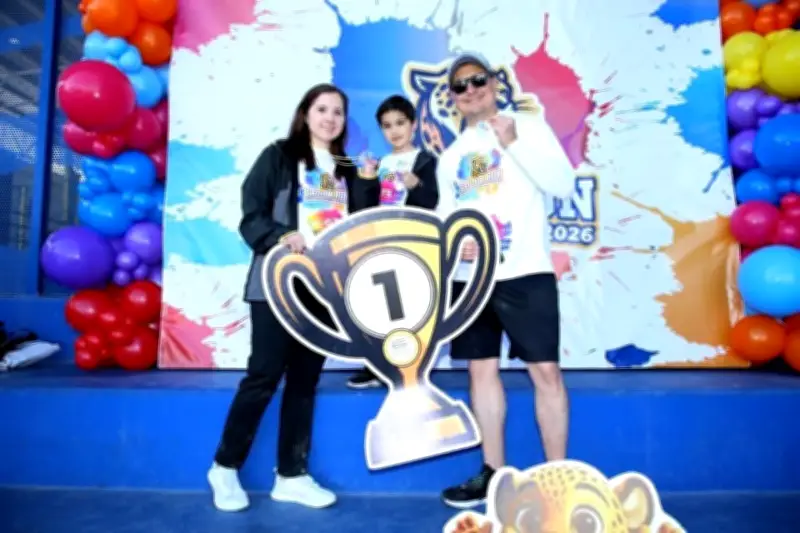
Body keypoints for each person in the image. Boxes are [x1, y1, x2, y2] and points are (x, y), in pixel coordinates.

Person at [208, 83, 374, 512]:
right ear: (306, 113)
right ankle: (224, 467)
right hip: (277, 285)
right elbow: (251, 215)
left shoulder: (346, 166)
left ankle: (291, 475)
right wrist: (282, 236)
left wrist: (368, 182)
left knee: (304, 382)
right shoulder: (278, 156)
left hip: (322, 290)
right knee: (263, 376)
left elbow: (362, 223)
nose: (330, 118)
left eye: (338, 112)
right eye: (322, 109)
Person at [435, 53, 574, 509]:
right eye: (460, 86)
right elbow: (446, 216)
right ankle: (493, 473)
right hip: (471, 280)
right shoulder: (451, 156)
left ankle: (558, 477)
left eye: (477, 80)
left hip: (525, 270)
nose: (470, 90)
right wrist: (455, 244)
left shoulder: (528, 127)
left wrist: (512, 142)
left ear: (494, 83)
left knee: (546, 372)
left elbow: (562, 184)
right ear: (453, 98)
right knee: (481, 371)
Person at [346, 94, 440, 390]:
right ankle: (376, 366)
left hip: (413, 246)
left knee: (412, 309)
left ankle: (409, 367)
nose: (394, 130)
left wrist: (417, 185)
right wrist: (366, 179)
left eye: (400, 123)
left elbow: (432, 203)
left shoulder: (426, 160)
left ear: (414, 125)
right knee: (377, 308)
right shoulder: (381, 163)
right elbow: (363, 210)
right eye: (387, 126)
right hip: (380, 245)